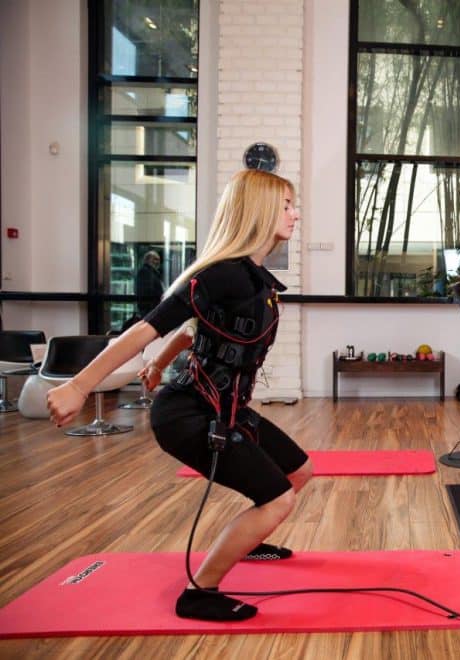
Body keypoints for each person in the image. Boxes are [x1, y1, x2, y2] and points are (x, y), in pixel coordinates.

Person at [46, 169, 311, 621]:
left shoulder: (254, 278)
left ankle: (249, 539)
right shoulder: (223, 274)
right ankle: (199, 594)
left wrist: (158, 364)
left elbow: (192, 332)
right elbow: (145, 328)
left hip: (224, 407)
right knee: (280, 498)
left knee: (299, 470)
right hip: (187, 415)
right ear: (259, 210)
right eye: (286, 205)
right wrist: (78, 385)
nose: (295, 214)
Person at [134, 250, 166, 317]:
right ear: (147, 260)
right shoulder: (145, 272)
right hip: (150, 311)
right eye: (155, 259)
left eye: (158, 260)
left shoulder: (151, 273)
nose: (157, 262)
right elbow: (148, 292)